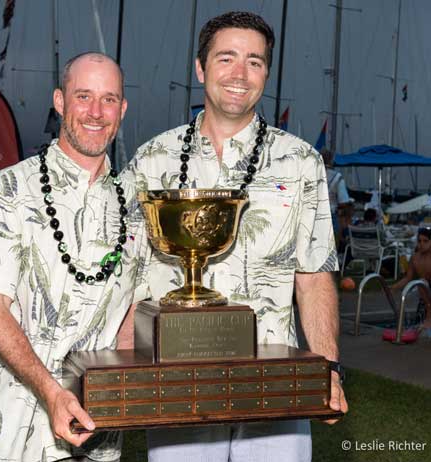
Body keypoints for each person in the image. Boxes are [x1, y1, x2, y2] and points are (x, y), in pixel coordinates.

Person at [125, 11, 348, 462]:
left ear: (267, 72)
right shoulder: (151, 159)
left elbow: (314, 274)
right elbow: (133, 276)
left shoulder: (300, 161)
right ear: (200, 68)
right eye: (226, 58)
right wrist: (125, 370)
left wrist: (329, 368)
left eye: (255, 61)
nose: (240, 75)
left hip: (274, 384)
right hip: (177, 383)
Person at [0, 52, 148, 462]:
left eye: (109, 99)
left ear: (123, 108)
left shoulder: (136, 207)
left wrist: (128, 385)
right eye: (83, 97)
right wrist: (52, 394)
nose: (96, 113)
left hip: (95, 441)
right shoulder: (9, 190)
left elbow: (130, 314)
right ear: (60, 102)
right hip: (10, 439)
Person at [390, 225, 431, 330]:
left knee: (422, 283)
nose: (422, 244)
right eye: (419, 241)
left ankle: (428, 319)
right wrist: (393, 287)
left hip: (426, 291)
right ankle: (402, 325)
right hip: (425, 292)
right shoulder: (415, 258)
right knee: (416, 287)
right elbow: (408, 278)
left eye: (425, 241)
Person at [321, 148, 352, 247]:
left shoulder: (311, 174)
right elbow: (344, 201)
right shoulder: (337, 177)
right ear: (331, 160)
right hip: (330, 216)